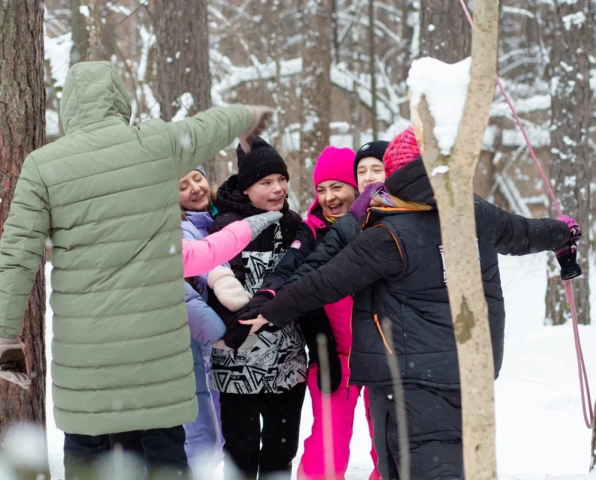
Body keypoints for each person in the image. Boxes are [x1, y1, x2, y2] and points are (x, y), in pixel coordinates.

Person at [0, 60, 276, 479]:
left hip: (87, 360)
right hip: (156, 356)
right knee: (164, 457)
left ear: (69, 109)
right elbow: (210, 124)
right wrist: (250, 116)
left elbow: (18, 254)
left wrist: (6, 336)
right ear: (121, 103)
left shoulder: (43, 166)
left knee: (88, 456)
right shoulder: (156, 144)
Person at [240, 127, 580, 480]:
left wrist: (270, 311)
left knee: (420, 466)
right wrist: (562, 231)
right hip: (469, 367)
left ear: (399, 174)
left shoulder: (388, 234)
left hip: (406, 377)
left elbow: (324, 282)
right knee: (455, 462)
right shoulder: (477, 213)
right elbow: (525, 233)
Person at [246, 146, 383, 480]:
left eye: (336, 187)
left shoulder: (385, 224)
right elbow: (292, 269)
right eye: (321, 189)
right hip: (334, 355)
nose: (328, 197)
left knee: (389, 439)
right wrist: (268, 295)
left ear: (355, 186)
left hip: (384, 354)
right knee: (328, 443)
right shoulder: (313, 230)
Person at [208, 137, 307, 479]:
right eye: (266, 182)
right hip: (238, 362)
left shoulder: (293, 223)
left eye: (282, 179)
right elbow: (213, 285)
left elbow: (307, 282)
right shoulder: (225, 227)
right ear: (247, 189)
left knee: (281, 450)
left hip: (287, 362)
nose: (278, 188)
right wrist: (233, 326)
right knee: (241, 451)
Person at [179, 165, 251, 474]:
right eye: (183, 185)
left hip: (219, 340)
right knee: (199, 429)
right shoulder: (180, 228)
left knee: (222, 425)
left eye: (197, 178)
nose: (195, 188)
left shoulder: (220, 217)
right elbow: (204, 261)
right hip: (194, 339)